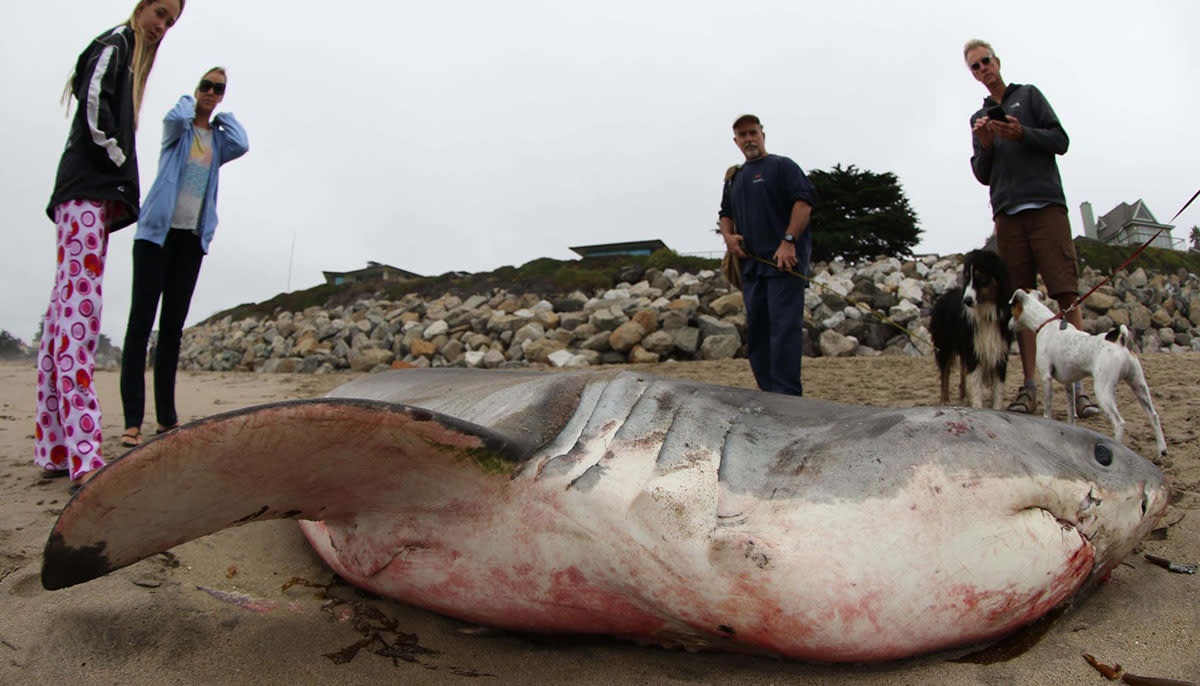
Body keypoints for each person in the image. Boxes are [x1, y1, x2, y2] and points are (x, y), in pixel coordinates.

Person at [35, 0, 185, 485]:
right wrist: (121, 164)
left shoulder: (123, 50)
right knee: (79, 312)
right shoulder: (115, 44)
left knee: (63, 314)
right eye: (160, 13)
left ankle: (55, 447)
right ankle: (84, 453)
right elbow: (94, 105)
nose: (162, 27)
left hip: (81, 196)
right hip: (87, 192)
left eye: (171, 22)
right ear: (140, 7)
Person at [964, 39, 1099, 418]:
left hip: (1046, 208)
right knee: (1020, 305)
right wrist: (987, 145)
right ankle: (1029, 387)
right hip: (1007, 215)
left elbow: (1061, 141)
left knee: (1065, 294)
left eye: (985, 61)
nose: (982, 69)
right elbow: (981, 173)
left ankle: (1077, 390)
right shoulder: (978, 118)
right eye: (974, 67)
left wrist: (1022, 133)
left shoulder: (1029, 96)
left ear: (998, 61)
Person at [119, 68, 249, 447]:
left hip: (190, 242)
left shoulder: (218, 141)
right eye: (206, 86)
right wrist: (191, 103)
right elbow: (172, 118)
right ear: (196, 89)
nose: (211, 92)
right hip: (154, 238)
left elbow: (242, 144)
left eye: (218, 88)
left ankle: (166, 420)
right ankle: (132, 422)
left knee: (172, 331)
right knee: (140, 326)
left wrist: (223, 116)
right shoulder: (178, 133)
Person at [718, 114, 817, 396]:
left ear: (763, 134)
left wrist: (788, 241)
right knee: (758, 333)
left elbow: (804, 203)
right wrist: (728, 237)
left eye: (753, 132)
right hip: (751, 268)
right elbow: (725, 214)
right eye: (742, 135)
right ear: (735, 141)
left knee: (784, 331)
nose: (749, 139)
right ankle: (768, 392)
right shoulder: (734, 178)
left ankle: (787, 397)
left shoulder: (783, 167)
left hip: (785, 266)